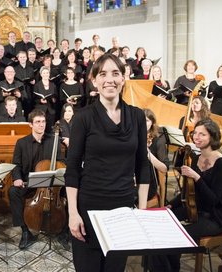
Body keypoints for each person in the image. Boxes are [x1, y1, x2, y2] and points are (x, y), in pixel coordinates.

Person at [64, 54, 150, 271]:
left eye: (115, 73)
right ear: (94, 80)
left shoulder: (137, 116)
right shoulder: (83, 117)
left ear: (123, 78)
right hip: (89, 206)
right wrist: (73, 213)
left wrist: (141, 210)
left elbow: (142, 165)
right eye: (103, 74)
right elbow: (72, 168)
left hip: (122, 206)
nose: (109, 79)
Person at [149, 119, 222, 271]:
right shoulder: (196, 158)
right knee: (158, 229)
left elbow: (213, 200)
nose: (197, 137)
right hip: (195, 209)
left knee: (173, 238)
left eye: (202, 134)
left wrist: (197, 177)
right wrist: (171, 204)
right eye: (195, 133)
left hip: (215, 217)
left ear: (212, 137)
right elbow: (189, 191)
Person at [9, 109, 62, 249]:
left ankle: (65, 230)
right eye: (38, 122)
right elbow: (16, 165)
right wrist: (17, 178)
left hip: (51, 184)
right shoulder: (22, 143)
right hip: (29, 182)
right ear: (30, 125)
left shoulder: (53, 141)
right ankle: (25, 231)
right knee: (13, 192)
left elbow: (62, 162)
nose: (41, 125)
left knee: (72, 190)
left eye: (43, 121)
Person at [143, 109, 169, 203]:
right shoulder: (133, 136)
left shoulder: (158, 141)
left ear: (152, 123)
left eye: (146, 120)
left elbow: (164, 168)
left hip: (148, 183)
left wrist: (148, 154)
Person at [33, 67, 57, 131]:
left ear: (49, 74)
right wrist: (40, 100)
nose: (46, 74)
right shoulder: (37, 85)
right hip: (40, 110)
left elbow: (55, 98)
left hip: (50, 110)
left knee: (50, 130)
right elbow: (34, 99)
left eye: (47, 73)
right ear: (41, 74)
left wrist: (53, 100)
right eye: (44, 73)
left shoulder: (53, 85)